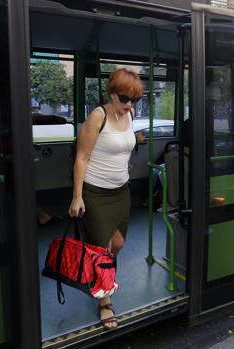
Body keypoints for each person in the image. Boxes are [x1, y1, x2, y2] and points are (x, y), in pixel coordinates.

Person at [68, 68, 143, 329]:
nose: (129, 105)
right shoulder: (97, 116)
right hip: (95, 193)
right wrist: (77, 196)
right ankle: (104, 301)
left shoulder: (130, 115)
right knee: (101, 249)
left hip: (121, 192)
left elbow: (124, 146)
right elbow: (81, 157)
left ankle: (103, 274)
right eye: (124, 98)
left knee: (118, 243)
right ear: (112, 94)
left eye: (135, 100)